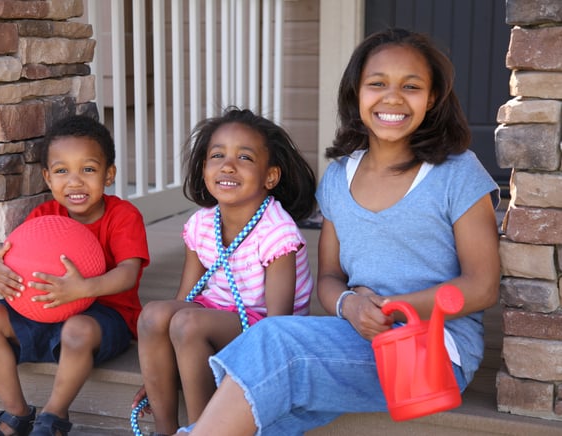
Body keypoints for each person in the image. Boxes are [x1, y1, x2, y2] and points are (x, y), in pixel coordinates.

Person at [176, 28, 501, 436]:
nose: (393, 97)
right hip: (356, 334)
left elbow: (484, 286)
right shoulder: (338, 178)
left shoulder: (457, 173)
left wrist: (388, 308)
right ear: (356, 93)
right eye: (377, 83)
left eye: (412, 86)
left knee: (274, 345)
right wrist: (349, 306)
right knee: (263, 415)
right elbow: (329, 278)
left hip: (433, 352)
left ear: (432, 98)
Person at [131, 107, 317, 435]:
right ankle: (165, 429)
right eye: (217, 155)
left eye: (244, 157)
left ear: (270, 176)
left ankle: (208, 428)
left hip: (262, 328)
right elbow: (185, 299)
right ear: (204, 168)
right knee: (153, 315)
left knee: (188, 323)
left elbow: (277, 328)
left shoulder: (277, 233)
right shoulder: (202, 223)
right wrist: (160, 373)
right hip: (211, 318)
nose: (227, 165)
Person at [0, 115, 150, 436]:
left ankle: (54, 417)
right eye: (63, 171)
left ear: (109, 175)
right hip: (46, 310)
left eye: (88, 170)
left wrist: (82, 289)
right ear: (48, 178)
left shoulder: (123, 216)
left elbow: (128, 275)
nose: (75, 181)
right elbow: (8, 256)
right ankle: (16, 415)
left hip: (104, 317)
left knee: (77, 329)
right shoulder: (44, 217)